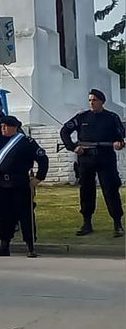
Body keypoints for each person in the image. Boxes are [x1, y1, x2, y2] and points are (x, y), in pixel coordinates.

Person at [59, 88, 125, 237]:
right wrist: (73, 147)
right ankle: (87, 222)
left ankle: (117, 223)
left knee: (111, 189)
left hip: (105, 158)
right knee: (86, 191)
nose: (91, 103)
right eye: (90, 100)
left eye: (94, 100)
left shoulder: (111, 117)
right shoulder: (82, 117)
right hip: (86, 159)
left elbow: (121, 135)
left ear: (101, 101)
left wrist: (119, 143)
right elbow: (64, 131)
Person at [0, 115, 51, 256]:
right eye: (1, 126)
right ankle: (4, 245)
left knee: (25, 215)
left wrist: (39, 177)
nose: (2, 128)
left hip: (20, 184)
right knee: (4, 215)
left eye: (5, 126)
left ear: (15, 127)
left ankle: (30, 246)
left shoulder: (26, 142)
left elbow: (42, 158)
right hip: (1, 184)